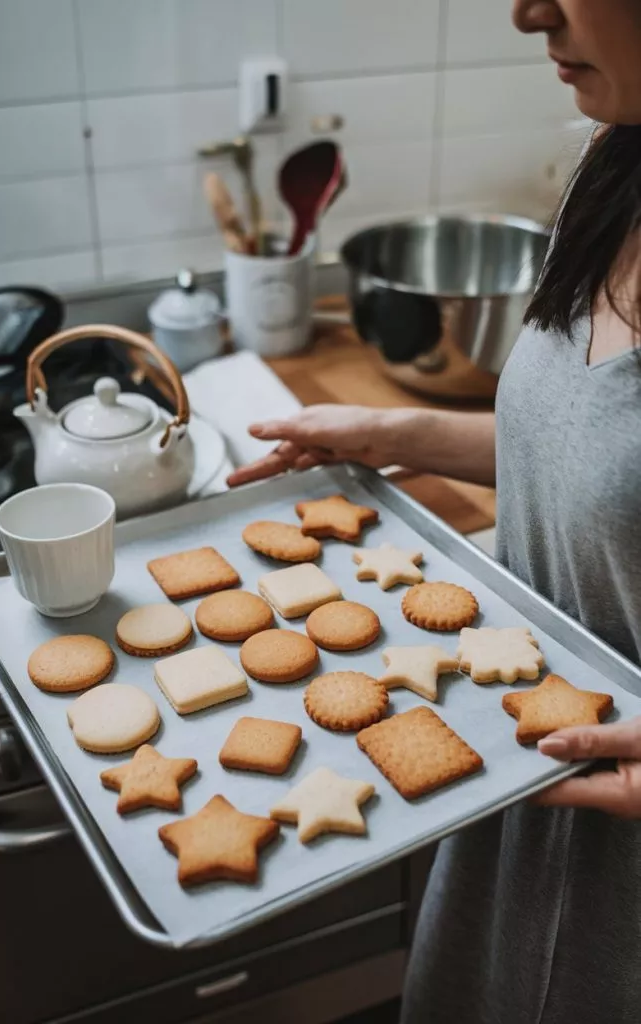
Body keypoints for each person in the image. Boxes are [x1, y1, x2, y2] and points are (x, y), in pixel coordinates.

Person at [227, 2, 641, 1020]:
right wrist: (401, 435)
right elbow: (595, 468)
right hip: (509, 781)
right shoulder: (611, 168)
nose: (525, 11)